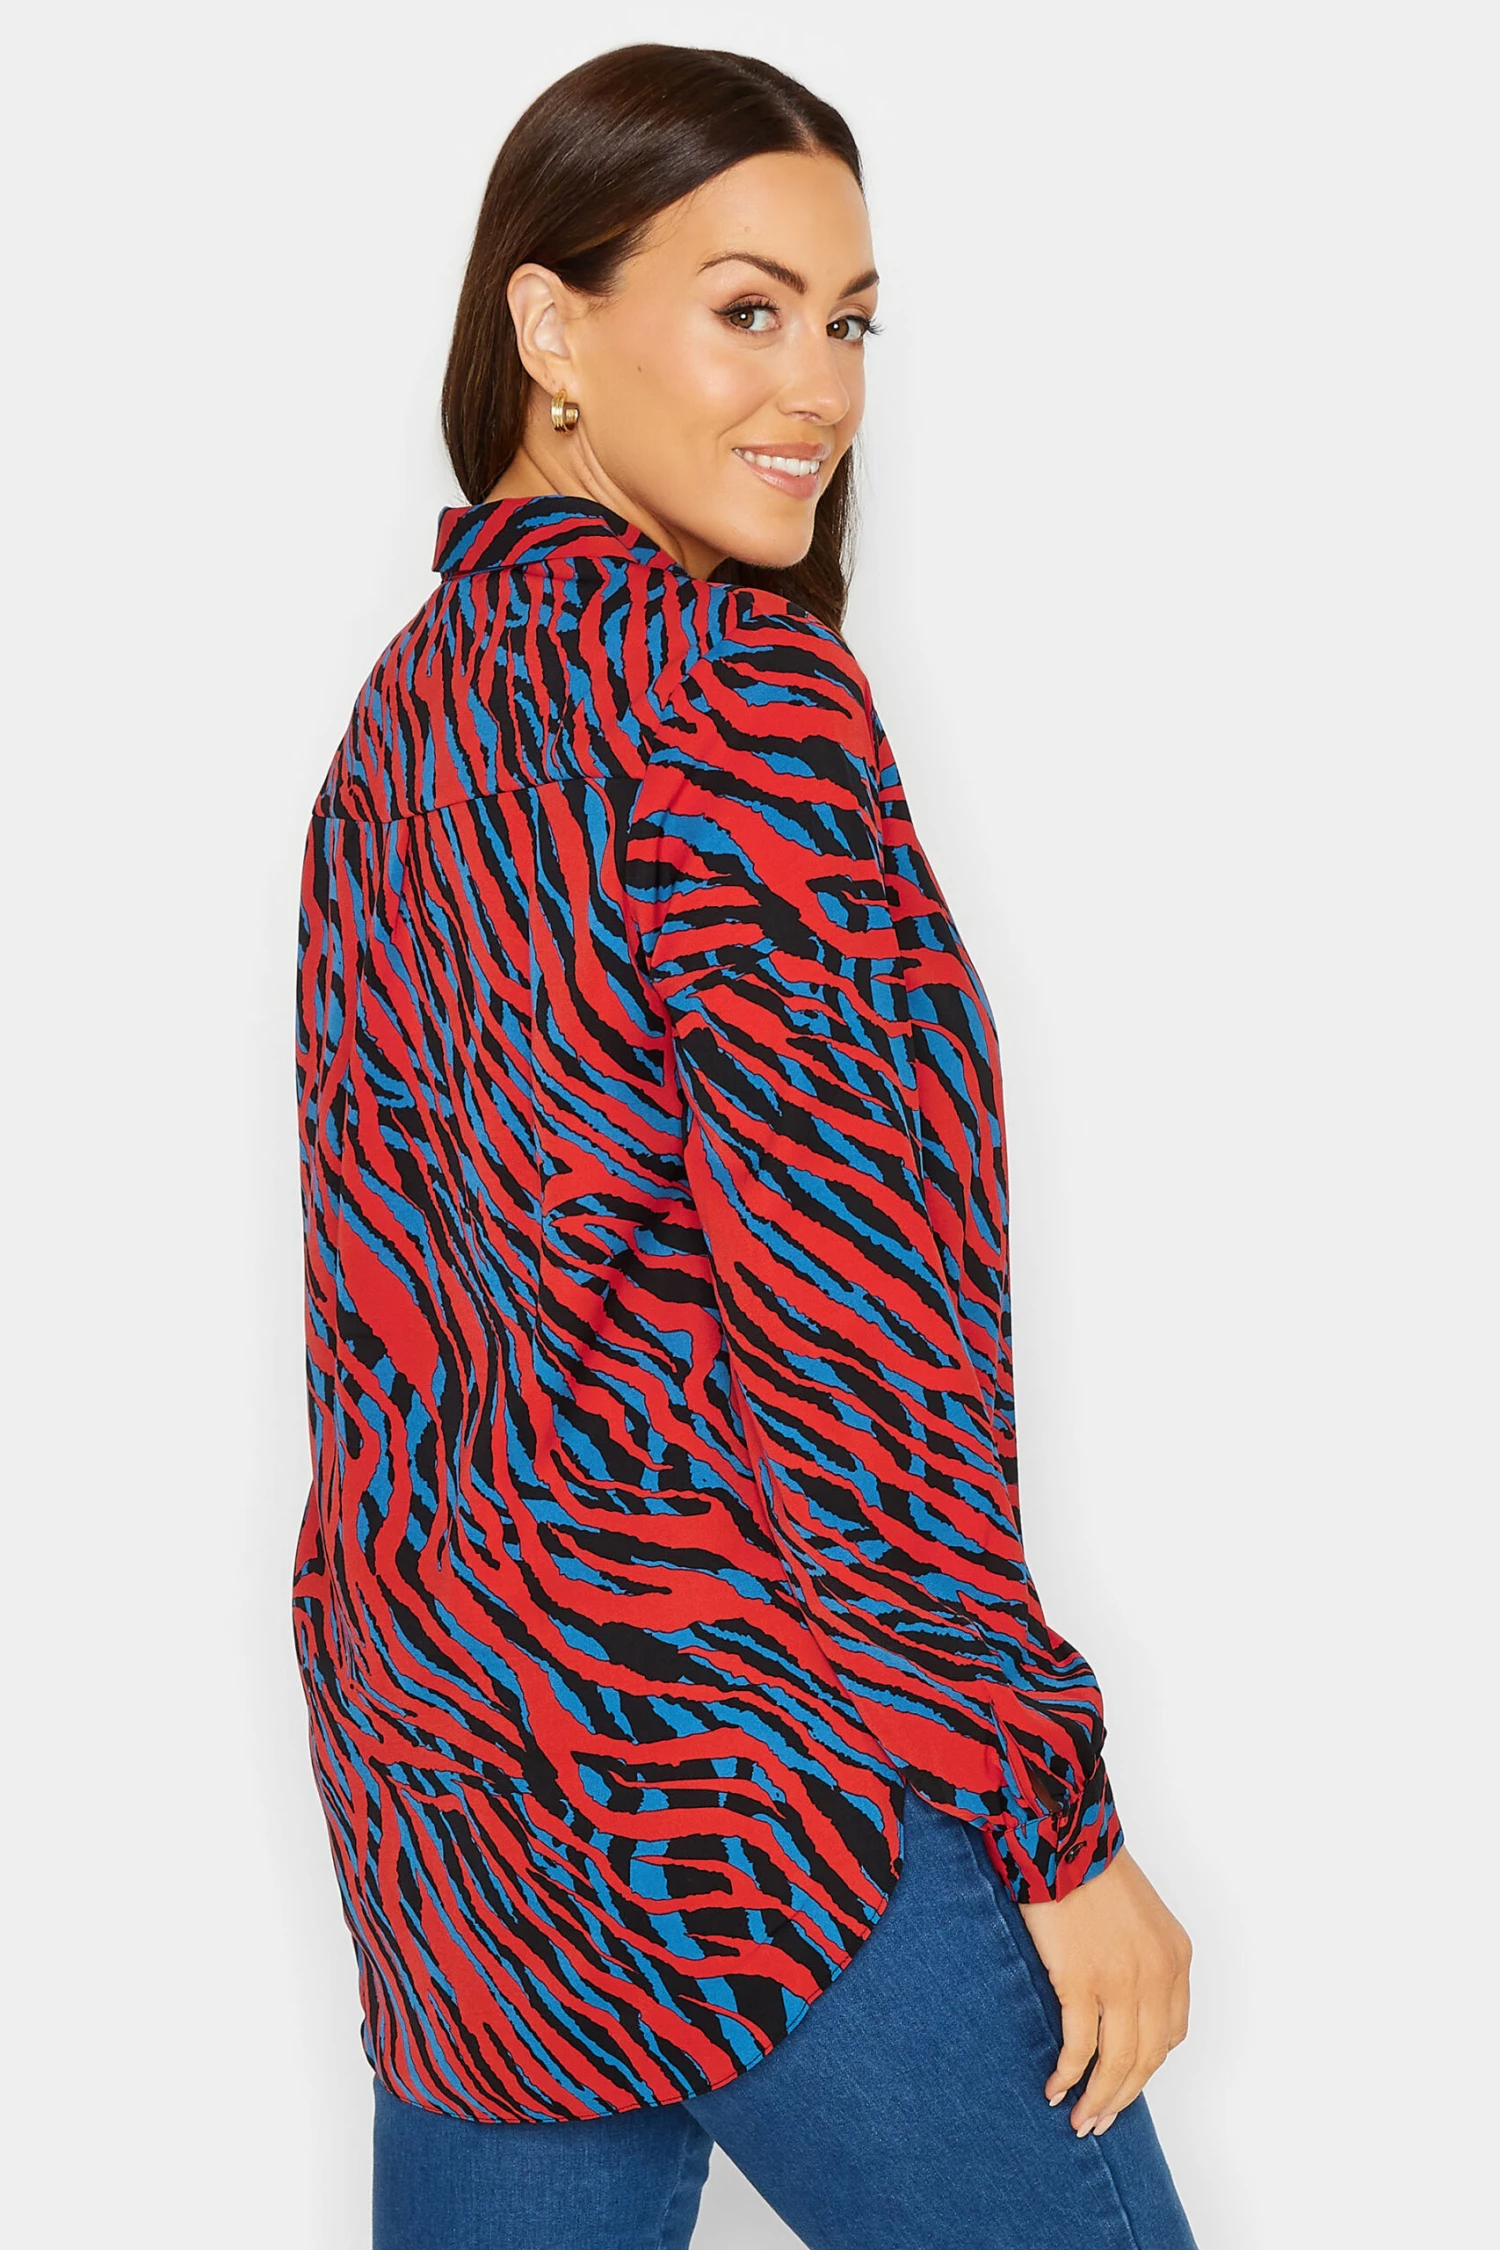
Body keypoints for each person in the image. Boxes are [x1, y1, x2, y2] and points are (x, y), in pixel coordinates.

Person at [293, 41, 1198, 2250]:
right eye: (749, 308)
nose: (822, 388)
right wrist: (1054, 1818)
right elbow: (856, 1315)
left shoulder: (403, 717)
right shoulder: (733, 692)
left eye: (852, 320)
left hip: (461, 1791)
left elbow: (392, 1315)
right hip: (758, 1783)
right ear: (549, 326)